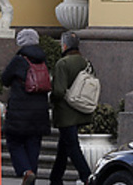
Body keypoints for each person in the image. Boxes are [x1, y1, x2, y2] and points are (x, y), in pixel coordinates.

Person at [2, 28, 51, 185]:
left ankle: (26, 171)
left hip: (19, 111)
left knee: (14, 141)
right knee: (34, 144)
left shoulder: (19, 60)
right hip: (40, 112)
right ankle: (31, 176)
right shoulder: (43, 60)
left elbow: (4, 79)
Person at [48, 31, 94, 185]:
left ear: (64, 45)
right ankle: (55, 178)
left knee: (72, 146)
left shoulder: (63, 63)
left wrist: (51, 98)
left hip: (65, 113)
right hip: (80, 109)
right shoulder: (86, 62)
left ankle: (87, 176)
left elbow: (59, 91)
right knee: (64, 146)